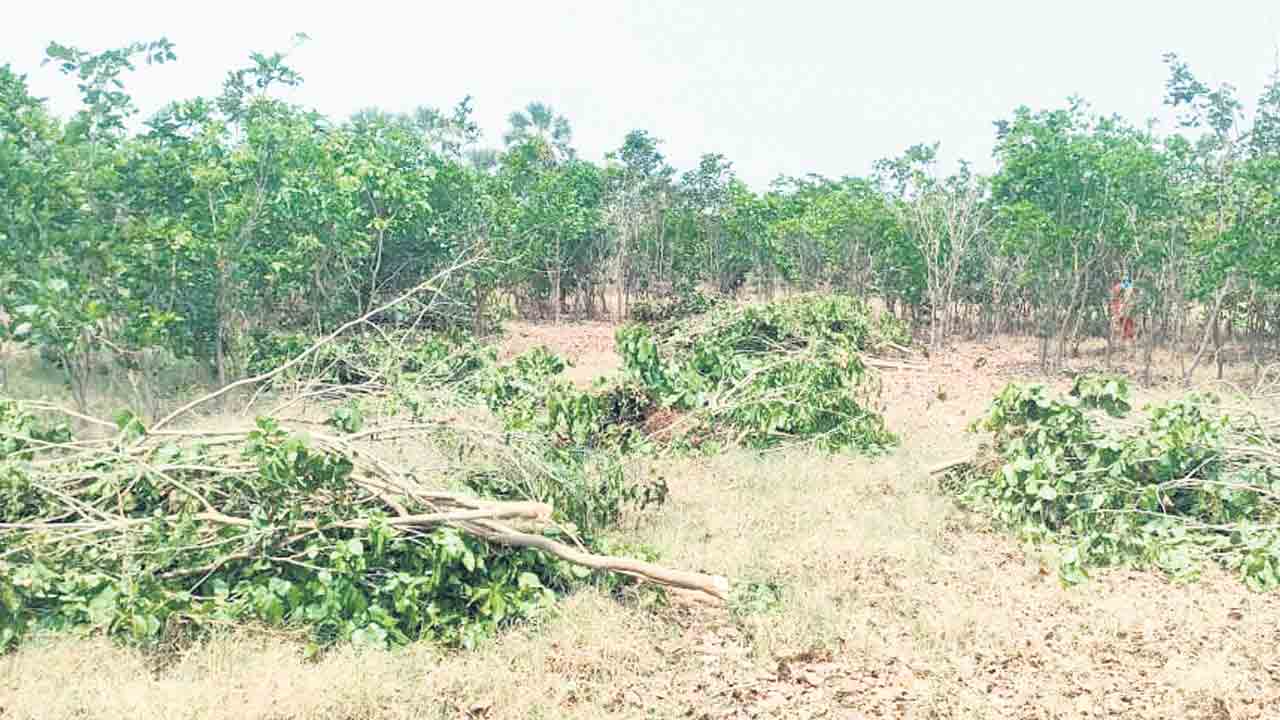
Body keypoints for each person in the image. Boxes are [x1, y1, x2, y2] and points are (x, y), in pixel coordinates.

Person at [1109, 278, 1137, 347]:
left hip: (1124, 312)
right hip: (1121, 312)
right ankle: (1122, 342)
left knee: (1127, 327)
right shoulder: (1117, 291)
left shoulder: (1124, 288)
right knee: (1123, 327)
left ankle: (1127, 342)